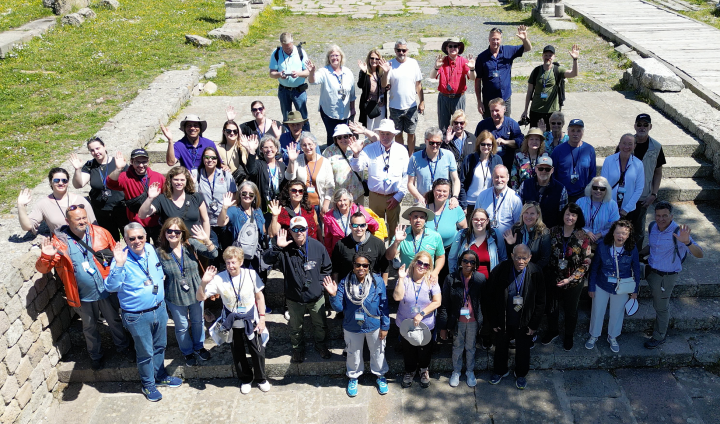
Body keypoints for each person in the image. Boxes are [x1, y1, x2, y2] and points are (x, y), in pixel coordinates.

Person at [35, 205, 131, 370]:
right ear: (67, 221)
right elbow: (43, 269)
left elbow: (117, 255)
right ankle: (96, 356)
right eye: (77, 219)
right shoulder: (60, 242)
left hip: (106, 290)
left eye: (84, 217)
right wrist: (46, 256)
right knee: (89, 327)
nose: (82, 221)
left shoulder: (101, 232)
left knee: (115, 321)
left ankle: (124, 348)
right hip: (82, 295)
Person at [105, 223, 183, 402]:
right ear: (125, 239)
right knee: (145, 352)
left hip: (159, 309)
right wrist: (118, 265)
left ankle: (160, 375)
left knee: (160, 346)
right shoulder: (121, 259)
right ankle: (148, 385)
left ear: (146, 237)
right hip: (137, 315)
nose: (137, 241)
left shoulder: (149, 249)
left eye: (140, 237)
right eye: (131, 238)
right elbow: (110, 287)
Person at [197, 247, 271, 393]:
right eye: (228, 262)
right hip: (231, 320)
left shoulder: (250, 274)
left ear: (241, 262)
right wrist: (204, 282)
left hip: (251, 318)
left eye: (233, 262)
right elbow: (200, 297)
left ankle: (261, 378)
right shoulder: (219, 278)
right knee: (237, 351)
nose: (231, 266)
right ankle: (245, 378)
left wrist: (262, 318)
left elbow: (259, 296)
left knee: (258, 349)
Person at [263, 218, 333, 362]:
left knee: (320, 325)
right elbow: (266, 260)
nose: (299, 232)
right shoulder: (285, 249)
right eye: (295, 229)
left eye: (302, 229)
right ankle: (298, 349)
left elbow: (327, 268)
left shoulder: (317, 246)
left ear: (307, 230)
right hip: (294, 298)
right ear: (290, 231)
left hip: (315, 296)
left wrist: (319, 284)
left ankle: (320, 345)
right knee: (295, 327)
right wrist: (278, 247)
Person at [324, 253, 390, 397]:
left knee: (378, 351)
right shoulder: (344, 283)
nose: (361, 268)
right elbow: (339, 308)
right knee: (353, 353)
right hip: (352, 325)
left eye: (364, 265)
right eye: (358, 265)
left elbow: (384, 305)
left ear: (369, 267)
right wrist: (333, 295)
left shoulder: (377, 281)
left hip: (373, 324)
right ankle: (353, 377)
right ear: (353, 266)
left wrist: (385, 326)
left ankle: (380, 375)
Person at [640, 201, 703, 349]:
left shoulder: (679, 232)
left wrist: (687, 243)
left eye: (665, 216)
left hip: (665, 277)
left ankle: (659, 336)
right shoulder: (652, 226)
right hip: (650, 270)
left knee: (661, 307)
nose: (661, 219)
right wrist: (640, 253)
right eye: (658, 215)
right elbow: (653, 245)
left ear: (672, 216)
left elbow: (700, 254)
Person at [156, 218, 217, 366]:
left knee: (198, 321)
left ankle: (199, 347)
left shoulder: (191, 245)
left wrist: (206, 240)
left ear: (182, 233)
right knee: (182, 326)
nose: (173, 234)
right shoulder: (159, 252)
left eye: (177, 231)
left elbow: (214, 254)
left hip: (196, 290)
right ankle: (187, 352)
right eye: (169, 231)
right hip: (174, 293)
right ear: (164, 233)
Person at [487, 244, 545, 390]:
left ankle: (521, 374)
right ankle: (500, 371)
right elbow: (490, 297)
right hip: (504, 318)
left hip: (524, 320)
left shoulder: (536, 272)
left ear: (529, 258)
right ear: (512, 256)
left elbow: (540, 301)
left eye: (524, 258)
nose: (520, 261)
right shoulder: (500, 270)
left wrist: (533, 325)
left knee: (523, 348)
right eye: (517, 257)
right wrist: (493, 320)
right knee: (501, 346)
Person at [447, 208, 506, 350]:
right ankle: (468, 336)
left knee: (486, 310)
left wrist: (499, 279)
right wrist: (455, 278)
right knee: (470, 308)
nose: (479, 222)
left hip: (489, 281)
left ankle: (485, 335)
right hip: (467, 280)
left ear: (487, 221)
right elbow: (453, 257)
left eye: (482, 219)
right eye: (475, 219)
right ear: (471, 220)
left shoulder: (494, 234)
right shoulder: (462, 235)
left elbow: (503, 257)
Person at [543, 203, 592, 351]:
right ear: (562, 215)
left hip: (573, 280)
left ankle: (569, 335)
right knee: (552, 307)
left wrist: (571, 279)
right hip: (553, 277)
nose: (570, 217)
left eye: (573, 215)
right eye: (567, 214)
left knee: (571, 310)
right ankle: (553, 331)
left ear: (578, 218)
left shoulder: (583, 236)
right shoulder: (551, 232)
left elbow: (586, 262)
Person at [349, 118, 409, 240]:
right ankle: (378, 254)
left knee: (394, 229)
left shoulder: (401, 150)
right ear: (378, 133)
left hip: (395, 196)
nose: (385, 136)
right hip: (375, 197)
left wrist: (398, 197)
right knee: (375, 229)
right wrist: (356, 155)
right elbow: (358, 167)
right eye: (382, 133)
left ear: (393, 134)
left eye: (388, 134)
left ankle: (393, 255)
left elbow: (406, 175)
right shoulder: (369, 149)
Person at [586, 220, 640, 353]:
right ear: (613, 233)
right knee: (597, 310)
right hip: (602, 283)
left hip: (622, 286)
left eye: (624, 233)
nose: (620, 236)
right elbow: (595, 267)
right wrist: (591, 287)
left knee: (617, 312)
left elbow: (636, 269)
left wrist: (635, 289)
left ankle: (613, 336)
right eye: (618, 232)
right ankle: (594, 335)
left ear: (628, 235)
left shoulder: (632, 248)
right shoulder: (603, 246)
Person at [437, 249, 485, 388]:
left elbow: (485, 301)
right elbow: (445, 303)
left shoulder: (480, 279)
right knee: (457, 346)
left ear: (476, 264)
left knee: (471, 347)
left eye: (472, 261)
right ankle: (456, 371)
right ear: (460, 262)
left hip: (473, 320)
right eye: (465, 260)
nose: (468, 264)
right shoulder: (451, 279)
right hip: (457, 320)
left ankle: (470, 371)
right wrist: (443, 327)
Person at [394, 252, 442, 389]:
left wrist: (422, 313)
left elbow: (437, 301)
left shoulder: (431, 281)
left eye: (426, 265)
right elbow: (397, 297)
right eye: (420, 262)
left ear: (429, 267)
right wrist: (401, 279)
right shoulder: (405, 279)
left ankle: (423, 370)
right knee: (408, 349)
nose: (422, 266)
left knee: (424, 350)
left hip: (425, 324)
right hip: (405, 323)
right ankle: (409, 371)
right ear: (414, 262)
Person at [69, 137, 128, 240]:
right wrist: (77, 170)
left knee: (129, 236)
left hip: (121, 208)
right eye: (92, 150)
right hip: (102, 211)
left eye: (98, 148)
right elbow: (79, 184)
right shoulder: (90, 165)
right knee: (110, 240)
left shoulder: (117, 162)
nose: (96, 152)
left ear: (104, 147)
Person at [106, 149, 165, 243]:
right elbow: (110, 183)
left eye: (144, 161)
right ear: (131, 162)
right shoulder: (125, 177)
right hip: (137, 222)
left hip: (156, 222)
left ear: (148, 161)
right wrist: (118, 169)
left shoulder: (158, 177)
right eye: (137, 162)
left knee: (161, 250)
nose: (141, 165)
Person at [18, 167, 97, 234]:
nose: (60, 183)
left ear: (68, 182)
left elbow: (94, 226)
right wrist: (21, 206)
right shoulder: (43, 204)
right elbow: (28, 226)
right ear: (50, 182)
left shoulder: (80, 200)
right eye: (56, 180)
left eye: (64, 180)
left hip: (85, 242)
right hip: (62, 246)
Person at [475, 26, 532, 119]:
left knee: (505, 124)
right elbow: (478, 80)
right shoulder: (482, 57)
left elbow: (528, 48)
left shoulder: (508, 50)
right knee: (488, 127)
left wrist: (525, 39)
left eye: (497, 39)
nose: (495, 42)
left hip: (505, 98)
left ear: (501, 39)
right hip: (488, 100)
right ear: (489, 40)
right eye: (493, 39)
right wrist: (479, 102)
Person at [138, 166, 210, 237]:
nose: (179, 182)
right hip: (172, 242)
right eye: (176, 179)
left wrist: (207, 240)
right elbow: (142, 215)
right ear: (170, 180)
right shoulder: (162, 199)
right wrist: (150, 198)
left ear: (186, 181)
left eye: (182, 180)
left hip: (195, 241)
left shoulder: (196, 197)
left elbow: (205, 220)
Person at [628, 113, 666, 247]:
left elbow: (658, 172)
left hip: (643, 196)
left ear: (650, 127)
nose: (642, 127)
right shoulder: (626, 143)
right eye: (639, 124)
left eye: (645, 125)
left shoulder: (656, 147)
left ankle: (636, 258)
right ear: (635, 126)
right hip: (625, 194)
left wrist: (654, 194)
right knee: (620, 227)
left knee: (638, 229)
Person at [380, 39, 425, 153]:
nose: (401, 53)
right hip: (395, 107)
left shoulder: (413, 63)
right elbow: (384, 84)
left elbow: (418, 85)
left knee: (411, 133)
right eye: (399, 50)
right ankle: (402, 156)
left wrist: (422, 102)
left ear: (407, 50)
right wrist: (385, 72)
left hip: (411, 106)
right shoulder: (390, 64)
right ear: (395, 51)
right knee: (398, 134)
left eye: (403, 50)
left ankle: (410, 156)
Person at [191, 146, 237, 255]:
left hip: (224, 220)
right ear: (202, 159)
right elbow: (193, 196)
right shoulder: (196, 174)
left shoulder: (226, 174)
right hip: (206, 221)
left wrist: (229, 215)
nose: (210, 160)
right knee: (211, 252)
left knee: (227, 252)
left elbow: (234, 197)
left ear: (217, 160)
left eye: (213, 158)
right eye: (207, 157)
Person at [520, 44, 580, 128]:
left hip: (552, 112)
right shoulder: (536, 71)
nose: (548, 57)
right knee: (536, 137)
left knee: (552, 138)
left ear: (554, 56)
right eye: (546, 55)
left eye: (550, 55)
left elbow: (574, 73)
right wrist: (525, 110)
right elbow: (529, 92)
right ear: (542, 56)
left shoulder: (557, 70)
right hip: (536, 110)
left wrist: (575, 59)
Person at [307, 45, 356, 146]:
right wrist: (311, 73)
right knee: (333, 136)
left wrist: (352, 108)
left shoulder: (348, 72)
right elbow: (313, 81)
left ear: (341, 57)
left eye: (337, 55)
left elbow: (352, 93)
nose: (335, 58)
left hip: (345, 112)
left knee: (344, 135)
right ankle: (331, 156)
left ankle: (343, 154)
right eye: (332, 55)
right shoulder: (324, 71)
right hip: (329, 112)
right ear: (328, 58)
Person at [425, 178, 468, 284]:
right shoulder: (425, 208)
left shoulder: (454, 208)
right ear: (433, 190)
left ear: (449, 193)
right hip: (428, 251)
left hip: (449, 252)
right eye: (438, 190)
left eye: (445, 191)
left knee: (447, 282)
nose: (441, 193)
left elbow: (464, 229)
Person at [386, 206, 445, 280]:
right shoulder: (401, 234)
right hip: (407, 278)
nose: (418, 220)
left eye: (422, 217)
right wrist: (396, 242)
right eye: (415, 217)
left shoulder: (435, 236)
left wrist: (435, 272)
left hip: (427, 278)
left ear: (425, 220)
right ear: (410, 218)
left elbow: (440, 257)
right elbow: (389, 256)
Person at [218, 182, 267, 270]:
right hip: (238, 256)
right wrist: (224, 207)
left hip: (256, 255)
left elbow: (263, 232)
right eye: (244, 193)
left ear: (255, 196)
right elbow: (221, 223)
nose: (247, 196)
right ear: (239, 194)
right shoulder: (234, 210)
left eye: (251, 194)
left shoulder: (258, 211)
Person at [285, 133, 334, 219]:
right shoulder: (298, 159)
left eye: (310, 144)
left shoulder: (325, 162)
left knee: (320, 231)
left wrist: (326, 204)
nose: (307, 147)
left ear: (315, 145)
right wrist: (291, 161)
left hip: (320, 204)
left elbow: (330, 186)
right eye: (304, 145)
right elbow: (289, 177)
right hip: (302, 205)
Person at [407, 127, 461, 206]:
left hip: (443, 202)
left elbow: (455, 179)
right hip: (423, 202)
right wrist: (419, 197)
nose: (435, 145)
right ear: (425, 141)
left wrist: (455, 196)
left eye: (438, 143)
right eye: (431, 143)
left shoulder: (448, 155)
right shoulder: (415, 158)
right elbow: (410, 183)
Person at [431, 37, 476, 132]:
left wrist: (472, 69)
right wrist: (436, 67)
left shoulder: (463, 61)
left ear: (459, 48)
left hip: (459, 98)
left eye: (455, 46)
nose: (453, 48)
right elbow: (432, 76)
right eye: (450, 46)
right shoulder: (441, 61)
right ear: (447, 49)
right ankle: (445, 144)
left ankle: (458, 145)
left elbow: (472, 77)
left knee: (459, 126)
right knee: (443, 127)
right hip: (444, 98)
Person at [269, 32, 310, 131]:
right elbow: (271, 73)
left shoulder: (300, 52)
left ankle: (307, 139)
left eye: (289, 47)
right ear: (281, 44)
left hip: (299, 91)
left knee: (303, 116)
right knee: (286, 118)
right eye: (285, 47)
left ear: (292, 42)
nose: (288, 49)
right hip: (284, 90)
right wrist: (279, 74)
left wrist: (298, 74)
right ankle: (288, 139)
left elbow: (308, 72)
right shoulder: (276, 53)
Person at [332, 211, 388, 283]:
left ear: (366, 226)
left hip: (372, 287)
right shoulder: (341, 245)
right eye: (355, 225)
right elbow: (335, 269)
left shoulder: (377, 243)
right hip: (347, 286)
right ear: (350, 226)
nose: (359, 228)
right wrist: (335, 288)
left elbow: (385, 267)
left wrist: (383, 287)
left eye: (362, 225)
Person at [322, 124, 369, 206]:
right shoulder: (328, 151)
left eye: (345, 136)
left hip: (357, 193)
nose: (343, 139)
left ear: (350, 136)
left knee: (358, 217)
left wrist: (364, 131)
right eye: (339, 137)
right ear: (335, 139)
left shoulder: (358, 145)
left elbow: (377, 140)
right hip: (339, 197)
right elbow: (324, 172)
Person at [517, 154, 568, 229]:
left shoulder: (561, 189)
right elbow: (519, 209)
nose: (544, 171)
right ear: (536, 169)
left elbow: (562, 215)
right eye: (541, 168)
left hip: (550, 231)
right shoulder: (525, 185)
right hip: (527, 230)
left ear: (552, 170)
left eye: (547, 169)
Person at [550, 118, 596, 202]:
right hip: (562, 194)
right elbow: (552, 173)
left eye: (578, 131)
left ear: (583, 133)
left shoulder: (589, 150)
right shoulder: (558, 150)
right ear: (568, 132)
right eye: (572, 130)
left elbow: (592, 174)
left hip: (583, 195)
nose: (575, 134)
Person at [323, 188, 378, 255]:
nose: (342, 203)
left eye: (345, 200)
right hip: (340, 251)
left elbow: (374, 224)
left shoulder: (358, 210)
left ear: (349, 201)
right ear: (336, 202)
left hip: (359, 247)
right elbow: (328, 239)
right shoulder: (329, 217)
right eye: (339, 200)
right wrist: (329, 255)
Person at [601, 134, 644, 218]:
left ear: (634, 146)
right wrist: (609, 206)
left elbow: (639, 188)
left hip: (628, 210)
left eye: (630, 144)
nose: (626, 146)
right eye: (624, 143)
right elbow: (603, 184)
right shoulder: (609, 161)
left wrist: (626, 209)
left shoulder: (638, 164)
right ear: (619, 145)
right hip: (609, 208)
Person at [461, 130, 503, 216]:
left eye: (489, 145)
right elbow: (462, 182)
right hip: (470, 203)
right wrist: (463, 204)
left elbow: (501, 180)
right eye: (483, 144)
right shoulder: (469, 159)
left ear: (493, 145)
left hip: (489, 203)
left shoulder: (497, 159)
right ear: (478, 144)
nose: (486, 147)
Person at [474, 98, 524, 169]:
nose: (494, 113)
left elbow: (521, 142)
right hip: (487, 163)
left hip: (507, 163)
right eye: (492, 111)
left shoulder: (512, 124)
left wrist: (506, 142)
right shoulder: (483, 125)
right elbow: (475, 142)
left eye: (497, 110)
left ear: (504, 109)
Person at [475, 165, 522, 238]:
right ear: (492, 177)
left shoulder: (515, 198)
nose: (499, 180)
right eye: (496, 177)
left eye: (502, 177)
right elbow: (475, 217)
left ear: (508, 178)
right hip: (485, 238)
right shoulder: (483, 195)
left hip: (506, 240)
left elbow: (518, 223)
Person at [503, 202, 551, 269]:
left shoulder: (544, 233)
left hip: (534, 273)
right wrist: (510, 244)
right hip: (516, 270)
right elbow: (510, 255)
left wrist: (529, 271)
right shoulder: (516, 229)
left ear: (538, 215)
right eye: (526, 213)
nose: (528, 216)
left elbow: (545, 259)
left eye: (532, 213)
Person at [248, 135, 286, 214]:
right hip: (263, 206)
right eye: (265, 147)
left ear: (276, 149)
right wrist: (252, 151)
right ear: (261, 149)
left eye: (271, 147)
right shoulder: (259, 164)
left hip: (278, 204)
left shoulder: (281, 165)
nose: (269, 150)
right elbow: (251, 172)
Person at [576, 177, 621, 244]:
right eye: (595, 188)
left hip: (604, 240)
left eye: (602, 189)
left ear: (606, 190)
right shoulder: (580, 202)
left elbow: (615, 225)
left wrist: (600, 234)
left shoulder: (612, 205)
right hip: (581, 239)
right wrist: (586, 231)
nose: (598, 191)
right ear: (590, 188)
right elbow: (574, 221)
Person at [216, 116, 256, 185]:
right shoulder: (218, 148)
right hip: (226, 184)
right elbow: (212, 163)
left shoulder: (244, 146)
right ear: (224, 132)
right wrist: (222, 166)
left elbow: (253, 167)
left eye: (235, 131)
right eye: (228, 131)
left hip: (243, 185)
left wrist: (249, 149)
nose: (232, 133)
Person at [356, 49, 388, 130]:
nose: (374, 60)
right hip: (369, 105)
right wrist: (363, 72)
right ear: (369, 59)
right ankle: (369, 143)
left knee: (380, 129)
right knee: (368, 129)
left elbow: (385, 86)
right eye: (372, 58)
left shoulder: (381, 72)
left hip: (381, 104)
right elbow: (360, 85)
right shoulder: (365, 71)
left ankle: (378, 142)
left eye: (377, 59)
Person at [443, 110, 476, 177]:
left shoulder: (471, 138)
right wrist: (446, 142)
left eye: (461, 123)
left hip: (468, 175)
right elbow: (439, 154)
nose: (458, 125)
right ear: (452, 123)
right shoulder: (445, 137)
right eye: (456, 123)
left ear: (465, 124)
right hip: (451, 175)